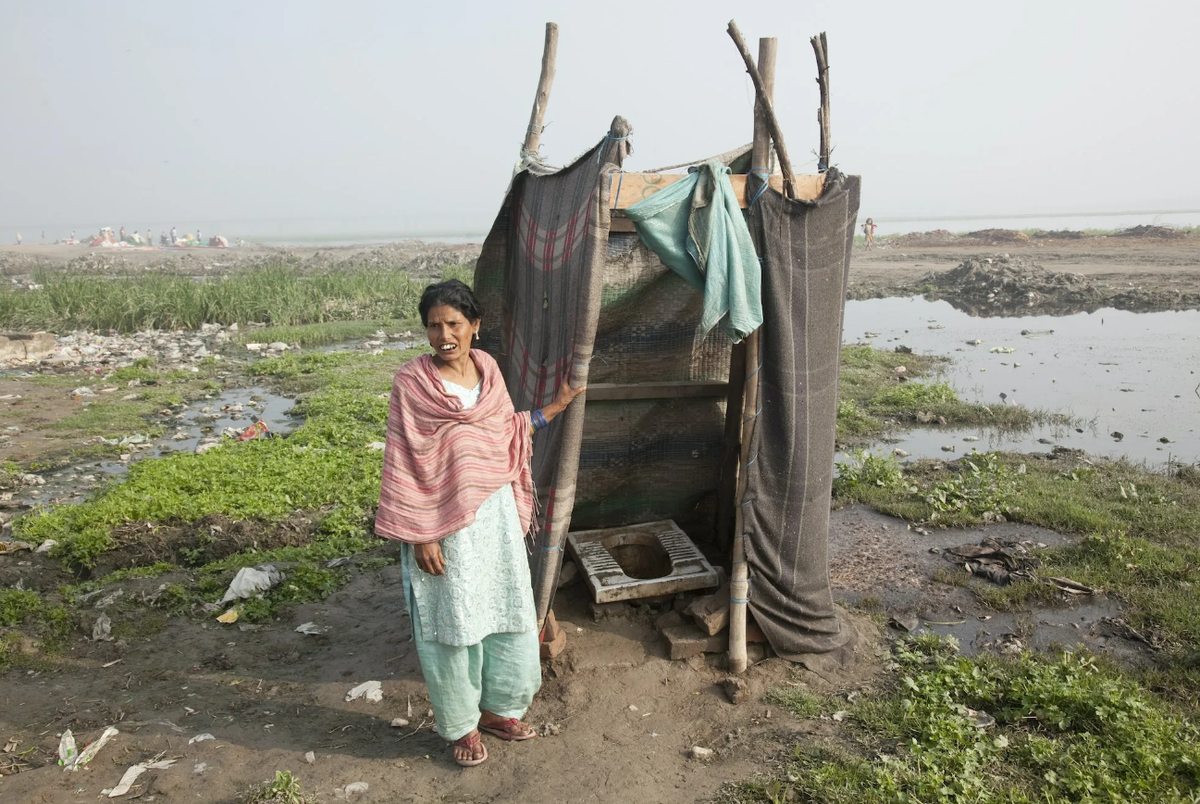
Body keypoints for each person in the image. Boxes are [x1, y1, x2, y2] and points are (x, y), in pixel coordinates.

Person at [375, 279, 585, 768]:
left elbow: (504, 429)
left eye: (453, 323)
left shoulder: (488, 369)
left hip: (494, 520)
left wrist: (557, 405)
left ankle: (497, 710)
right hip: (442, 525)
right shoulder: (412, 382)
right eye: (433, 325)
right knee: (455, 621)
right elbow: (405, 458)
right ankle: (461, 725)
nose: (443, 334)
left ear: (474, 326)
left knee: (503, 609)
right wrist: (421, 533)